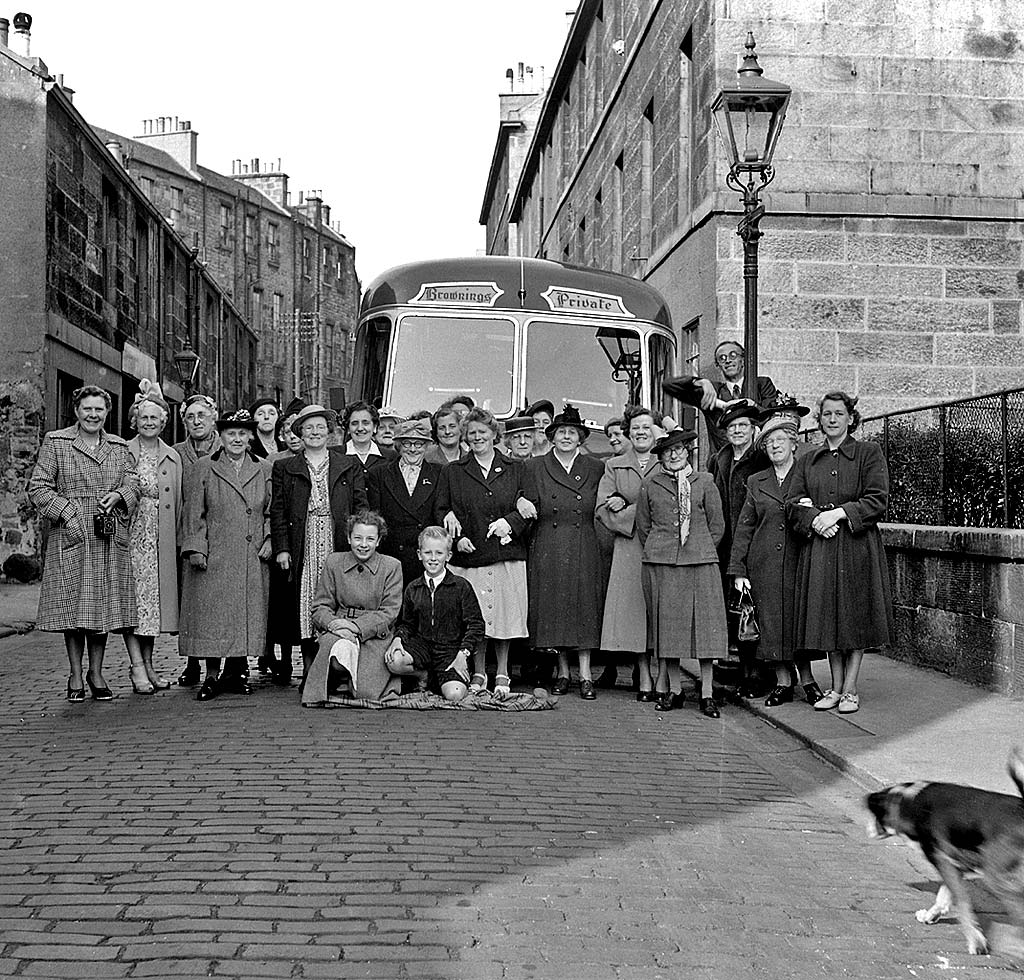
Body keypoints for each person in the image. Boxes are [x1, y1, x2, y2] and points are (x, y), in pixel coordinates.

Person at [29, 385, 141, 701]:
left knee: (101, 608)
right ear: (77, 411)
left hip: (106, 534)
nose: (93, 415)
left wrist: (120, 495)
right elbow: (38, 487)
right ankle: (76, 673)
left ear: (107, 413)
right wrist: (66, 511)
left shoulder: (118, 447)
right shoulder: (57, 442)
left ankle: (97, 672)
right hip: (73, 534)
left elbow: (133, 481)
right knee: (74, 608)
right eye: (87, 409)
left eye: (99, 410)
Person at [787, 391, 894, 714]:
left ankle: (850, 689)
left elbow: (878, 499)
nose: (832, 420)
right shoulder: (809, 460)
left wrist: (840, 513)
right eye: (826, 415)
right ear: (819, 420)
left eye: (838, 414)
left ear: (851, 418)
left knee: (855, 616)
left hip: (856, 546)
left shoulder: (868, 453)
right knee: (829, 618)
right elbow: (793, 503)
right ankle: (834, 687)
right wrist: (815, 520)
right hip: (822, 546)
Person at [727, 417, 825, 707]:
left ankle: (807, 680)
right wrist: (738, 570)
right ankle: (784, 682)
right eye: (769, 443)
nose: (775, 446)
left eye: (780, 440)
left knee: (799, 623)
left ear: (794, 443)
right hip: (765, 564)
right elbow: (745, 527)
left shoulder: (808, 475)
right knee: (770, 626)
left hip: (800, 561)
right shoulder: (757, 481)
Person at [435, 407, 531, 698]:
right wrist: (457, 537)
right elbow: (441, 508)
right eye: (472, 433)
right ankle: (478, 671)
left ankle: (502, 670)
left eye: (483, 433)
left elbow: (529, 507)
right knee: (475, 618)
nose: (477, 438)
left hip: (505, 554)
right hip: (471, 555)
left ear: (494, 435)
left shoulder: (516, 469)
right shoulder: (454, 471)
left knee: (504, 617)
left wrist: (510, 524)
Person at [271, 404, 368, 685]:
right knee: (306, 600)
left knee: (337, 597)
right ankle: (310, 669)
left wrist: (358, 542)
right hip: (304, 539)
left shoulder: (347, 464)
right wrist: (282, 548)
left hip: (338, 539)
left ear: (329, 432)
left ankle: (333, 666)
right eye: (308, 428)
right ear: (300, 432)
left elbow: (360, 506)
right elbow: (278, 510)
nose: (314, 432)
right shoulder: (285, 467)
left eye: (320, 427)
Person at [178, 409, 271, 700]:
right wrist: (196, 547)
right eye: (231, 433)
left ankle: (236, 673)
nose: (237, 439)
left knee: (242, 614)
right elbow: (193, 512)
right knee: (212, 615)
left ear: (250, 436)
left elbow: (270, 510)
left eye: (243, 433)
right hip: (215, 553)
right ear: (221, 435)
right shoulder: (205, 467)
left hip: (249, 554)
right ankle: (211, 675)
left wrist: (268, 538)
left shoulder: (264, 468)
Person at [637, 428, 728, 718]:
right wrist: (666, 550)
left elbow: (717, 525)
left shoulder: (705, 481)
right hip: (663, 563)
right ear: (661, 457)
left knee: (706, 630)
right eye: (668, 452)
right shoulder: (651, 485)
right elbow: (643, 526)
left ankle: (707, 693)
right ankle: (674, 690)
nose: (674, 455)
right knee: (670, 629)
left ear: (688, 451)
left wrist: (697, 549)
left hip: (701, 562)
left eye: (679, 450)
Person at [522, 405, 605, 700]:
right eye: (561, 432)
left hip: (584, 540)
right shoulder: (534, 466)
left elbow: (606, 499)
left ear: (581, 437)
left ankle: (585, 674)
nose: (567, 437)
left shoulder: (596, 467)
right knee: (556, 608)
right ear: (552, 437)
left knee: (583, 605)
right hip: (549, 541)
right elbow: (526, 499)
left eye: (572, 432)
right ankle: (563, 672)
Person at [301, 511, 404, 705]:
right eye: (357, 538)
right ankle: (338, 676)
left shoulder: (391, 567)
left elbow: (389, 612)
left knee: (367, 693)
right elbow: (320, 606)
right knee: (335, 655)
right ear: (349, 538)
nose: (363, 544)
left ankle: (357, 680)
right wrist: (334, 624)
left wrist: (355, 628)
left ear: (378, 541)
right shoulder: (334, 562)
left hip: (373, 635)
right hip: (339, 629)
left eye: (370, 539)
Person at [595, 405, 659, 700]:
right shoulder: (615, 465)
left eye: (646, 427)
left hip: (662, 545)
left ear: (656, 430)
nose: (641, 432)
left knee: (659, 611)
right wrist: (639, 516)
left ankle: (662, 675)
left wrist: (631, 507)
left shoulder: (668, 459)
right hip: (630, 546)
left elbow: (675, 504)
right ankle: (643, 672)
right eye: (635, 428)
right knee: (635, 612)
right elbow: (601, 511)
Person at [123, 380, 182, 694]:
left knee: (153, 607)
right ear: (135, 420)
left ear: (163, 422)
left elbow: (181, 500)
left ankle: (149, 664)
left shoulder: (172, 456)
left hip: (161, 536)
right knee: (134, 605)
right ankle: (136, 667)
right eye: (144, 417)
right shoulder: (122, 452)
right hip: (132, 536)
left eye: (155, 418)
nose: (149, 423)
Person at [708, 399, 768, 696]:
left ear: (753, 429)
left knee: (754, 608)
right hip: (725, 544)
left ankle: (757, 674)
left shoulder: (760, 459)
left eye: (743, 426)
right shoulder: (719, 459)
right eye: (732, 427)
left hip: (755, 543)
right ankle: (739, 670)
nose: (738, 431)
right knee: (735, 609)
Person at [386, 526, 485, 702]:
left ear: (448, 556)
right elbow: (407, 623)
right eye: (427, 552)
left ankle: (444, 678)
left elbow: (476, 625)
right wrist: (398, 638)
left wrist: (463, 654)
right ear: (419, 554)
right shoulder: (413, 588)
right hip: (422, 646)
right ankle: (423, 675)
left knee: (454, 694)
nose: (433, 559)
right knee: (394, 660)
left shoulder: (461, 586)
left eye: (439, 553)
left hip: (450, 650)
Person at [173, 393, 221, 688]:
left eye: (202, 415)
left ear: (214, 418)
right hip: (187, 534)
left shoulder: (225, 448)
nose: (196, 421)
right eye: (190, 416)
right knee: (190, 602)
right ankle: (192, 662)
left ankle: (220, 664)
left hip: (219, 534)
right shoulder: (177, 453)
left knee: (215, 602)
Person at [366, 417, 442, 587]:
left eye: (419, 444)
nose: (413, 449)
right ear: (398, 446)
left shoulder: (439, 473)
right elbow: (375, 516)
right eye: (407, 444)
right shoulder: (378, 474)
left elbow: (440, 510)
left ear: (426, 446)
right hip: (391, 554)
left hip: (425, 554)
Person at [343, 400, 394, 477]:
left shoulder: (391, 457)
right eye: (354, 423)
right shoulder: (334, 455)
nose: (360, 428)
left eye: (365, 423)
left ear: (375, 427)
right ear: (348, 429)